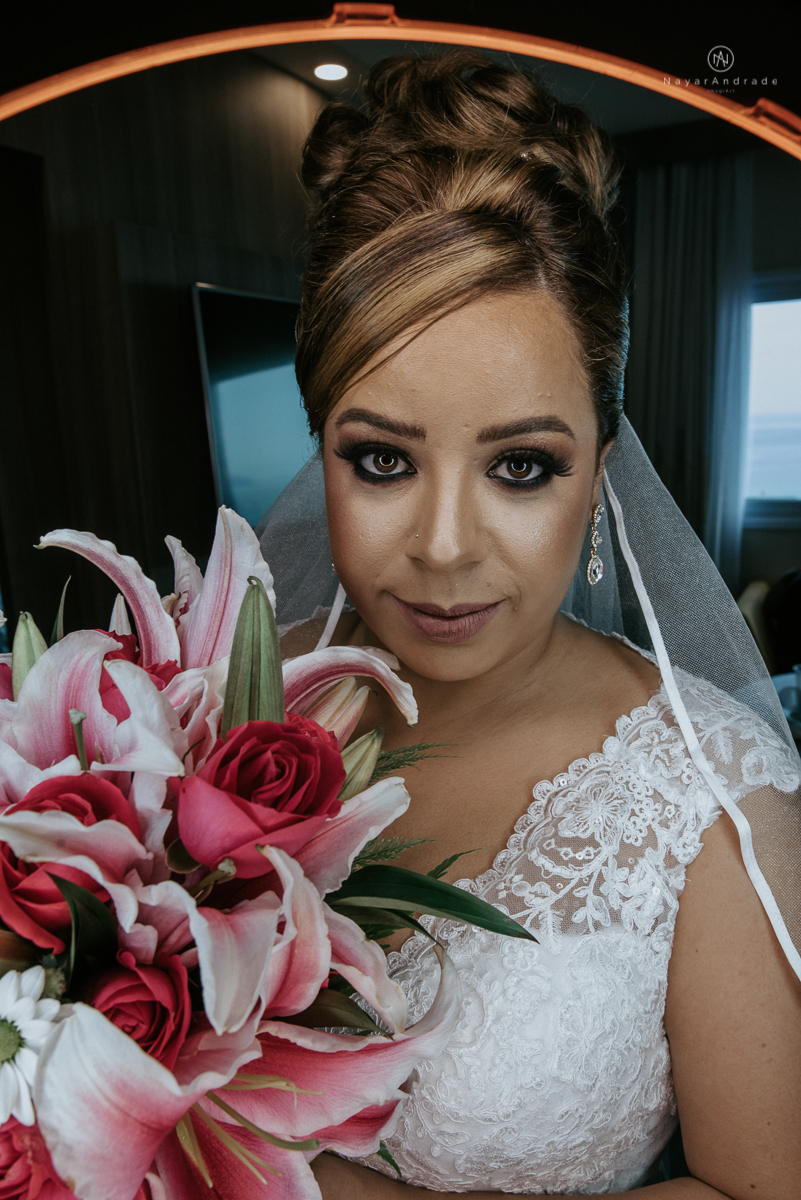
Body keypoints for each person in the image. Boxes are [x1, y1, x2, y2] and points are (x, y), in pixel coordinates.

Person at [256, 50, 801, 1198]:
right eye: (383, 459)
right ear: (320, 451)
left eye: (519, 464)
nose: (446, 544)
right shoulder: (218, 700)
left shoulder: (713, 798)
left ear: (602, 468)